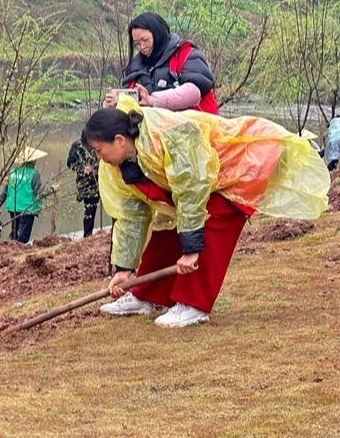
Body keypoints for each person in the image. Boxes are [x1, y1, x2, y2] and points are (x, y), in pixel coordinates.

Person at [85, 96, 328, 328]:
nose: (98, 158)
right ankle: (146, 294)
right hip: (207, 178)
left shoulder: (167, 136)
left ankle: (193, 305)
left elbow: (191, 189)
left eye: (98, 150)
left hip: (244, 161)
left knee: (213, 219)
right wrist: (124, 269)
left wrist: (191, 250)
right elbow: (133, 216)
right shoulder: (118, 166)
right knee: (167, 226)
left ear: (119, 140)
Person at [105, 12, 219, 114]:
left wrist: (152, 101)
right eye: (137, 44)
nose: (142, 47)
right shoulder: (135, 68)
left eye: (145, 40)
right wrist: (114, 104)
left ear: (158, 34)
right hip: (153, 133)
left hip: (193, 130)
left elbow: (193, 92)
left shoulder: (186, 55)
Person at [0, 147, 47, 244]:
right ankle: (15, 251)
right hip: (27, 209)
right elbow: (39, 193)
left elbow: (4, 191)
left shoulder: (13, 172)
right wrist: (50, 191)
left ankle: (9, 247)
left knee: (15, 232)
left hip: (13, 208)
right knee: (23, 237)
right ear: (33, 160)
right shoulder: (34, 174)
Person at [66, 139, 101, 239]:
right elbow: (70, 163)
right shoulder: (77, 145)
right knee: (89, 209)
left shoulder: (100, 142)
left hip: (103, 180)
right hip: (86, 184)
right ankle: (87, 236)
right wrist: (83, 168)